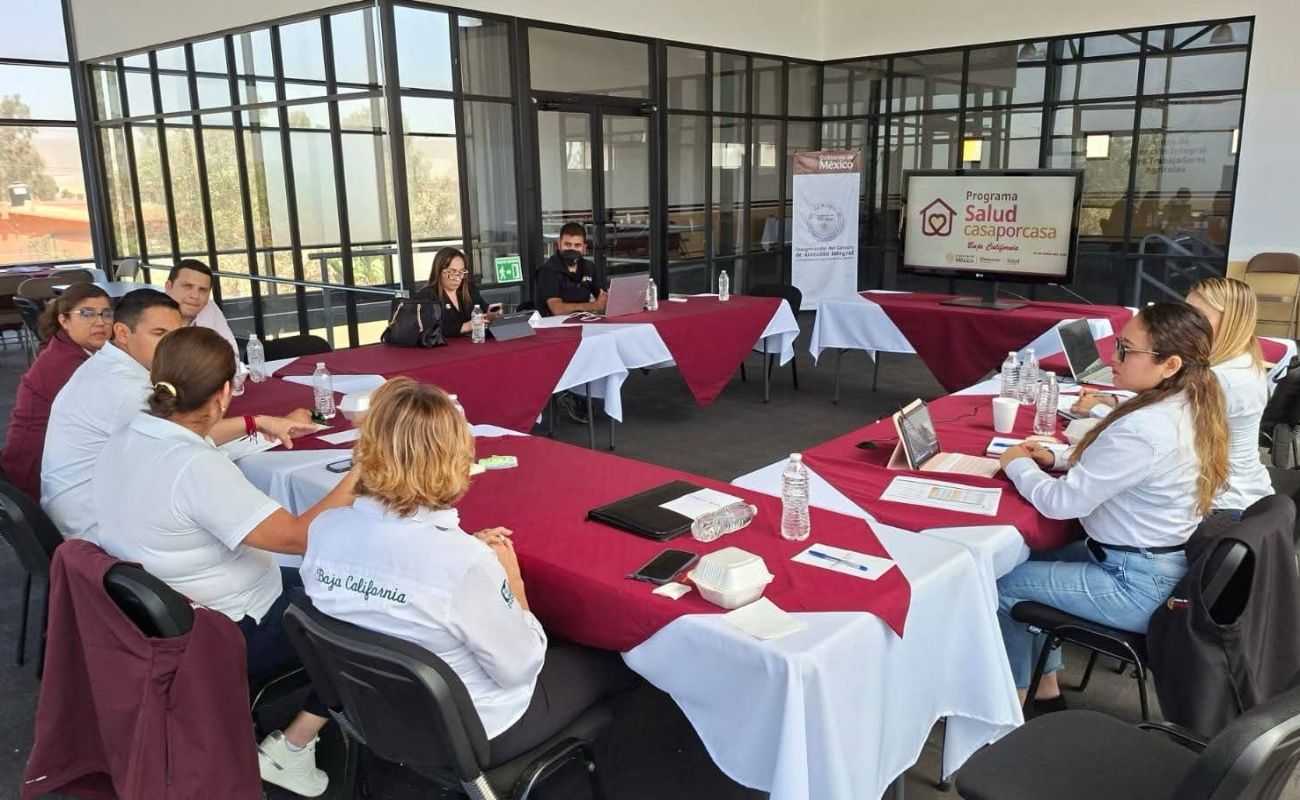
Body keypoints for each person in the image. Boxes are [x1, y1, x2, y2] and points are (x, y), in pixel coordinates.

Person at [302, 377, 636, 764]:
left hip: (377, 711)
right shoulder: (462, 564)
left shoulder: (325, 529)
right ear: (456, 458)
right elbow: (521, 668)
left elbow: (389, 574)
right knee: (618, 659)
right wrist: (514, 585)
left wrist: (464, 554)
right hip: (477, 729)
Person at [92, 327, 358, 798]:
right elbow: (300, 537)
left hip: (167, 614)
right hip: (229, 627)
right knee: (367, 609)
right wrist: (364, 469)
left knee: (340, 582)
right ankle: (293, 747)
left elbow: (197, 434)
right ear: (222, 393)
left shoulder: (130, 433)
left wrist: (257, 422)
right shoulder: (196, 468)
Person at [996, 302, 1228, 712]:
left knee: (1002, 586)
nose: (1112, 359)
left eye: (1126, 350)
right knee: (1029, 558)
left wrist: (1016, 464)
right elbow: (1120, 466)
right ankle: (1045, 689)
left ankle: (1011, 708)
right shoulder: (1185, 403)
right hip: (1149, 564)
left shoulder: (1145, 427)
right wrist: (1056, 458)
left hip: (1134, 582)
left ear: (1170, 364)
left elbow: (1060, 503)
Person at [41, 289, 309, 543]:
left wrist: (260, 424)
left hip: (99, 507)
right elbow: (189, 433)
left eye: (177, 336)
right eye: (159, 334)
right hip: (95, 528)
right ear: (122, 333)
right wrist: (260, 423)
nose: (173, 347)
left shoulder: (108, 366)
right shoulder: (125, 388)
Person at [1073, 278, 1269, 517]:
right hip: (1236, 491)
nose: (1187, 320)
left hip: (1222, 502)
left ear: (1230, 323)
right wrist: (1110, 400)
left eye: (1198, 314)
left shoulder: (1221, 379)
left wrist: (1098, 410)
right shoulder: (1241, 361)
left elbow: (1156, 428)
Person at [1, 284, 112, 500]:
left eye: (106, 314)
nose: (100, 322)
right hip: (38, 470)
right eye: (87, 314)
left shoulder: (69, 347)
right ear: (64, 320)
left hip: (50, 458)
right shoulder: (67, 363)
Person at [418, 247, 499, 336]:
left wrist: (494, 313)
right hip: (444, 344)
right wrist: (465, 327)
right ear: (438, 272)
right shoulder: (427, 295)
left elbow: (483, 307)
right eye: (452, 272)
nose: (457, 278)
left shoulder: (469, 288)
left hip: (473, 342)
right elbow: (428, 329)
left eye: (461, 272)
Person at [165, 258, 239, 356]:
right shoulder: (152, 312)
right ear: (169, 287)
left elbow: (231, 354)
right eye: (188, 286)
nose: (195, 296)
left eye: (202, 290)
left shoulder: (209, 308)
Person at [535, 222, 609, 317]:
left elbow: (603, 298)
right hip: (553, 324)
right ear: (559, 244)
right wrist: (595, 306)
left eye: (577, 245)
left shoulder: (588, 267)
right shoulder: (548, 270)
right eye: (567, 245)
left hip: (584, 322)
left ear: (584, 248)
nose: (572, 249)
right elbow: (557, 310)